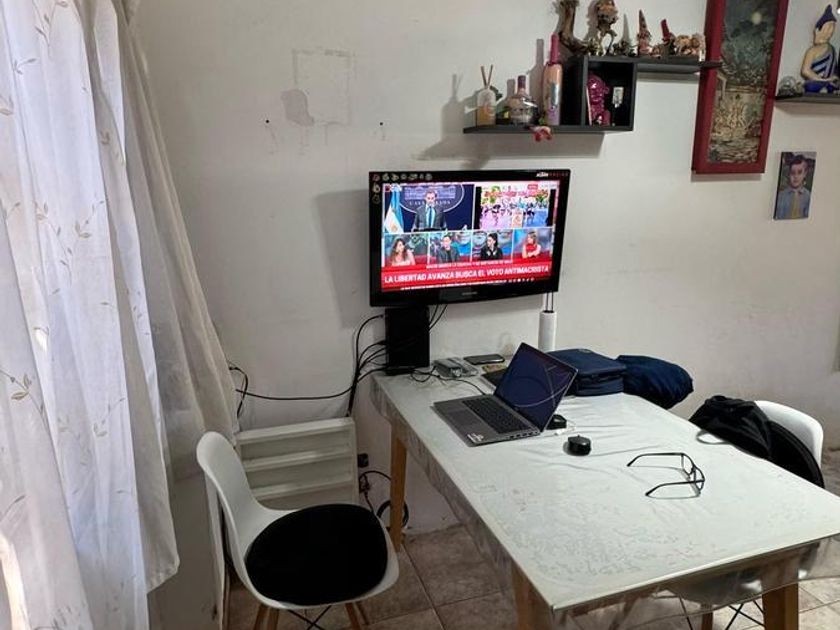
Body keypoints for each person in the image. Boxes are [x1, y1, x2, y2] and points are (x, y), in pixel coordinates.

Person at [801, 5, 839, 94]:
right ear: (819, 30)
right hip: (816, 83)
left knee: (833, 86)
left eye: (832, 28)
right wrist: (822, 80)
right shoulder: (812, 51)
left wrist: (834, 78)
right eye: (828, 27)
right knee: (811, 86)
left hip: (829, 84)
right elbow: (805, 71)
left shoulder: (832, 50)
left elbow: (835, 70)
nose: (830, 31)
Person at [775, 155, 812, 220]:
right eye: (792, 173)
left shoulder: (808, 196)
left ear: (805, 174)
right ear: (789, 174)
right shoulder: (781, 195)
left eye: (799, 172)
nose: (796, 176)